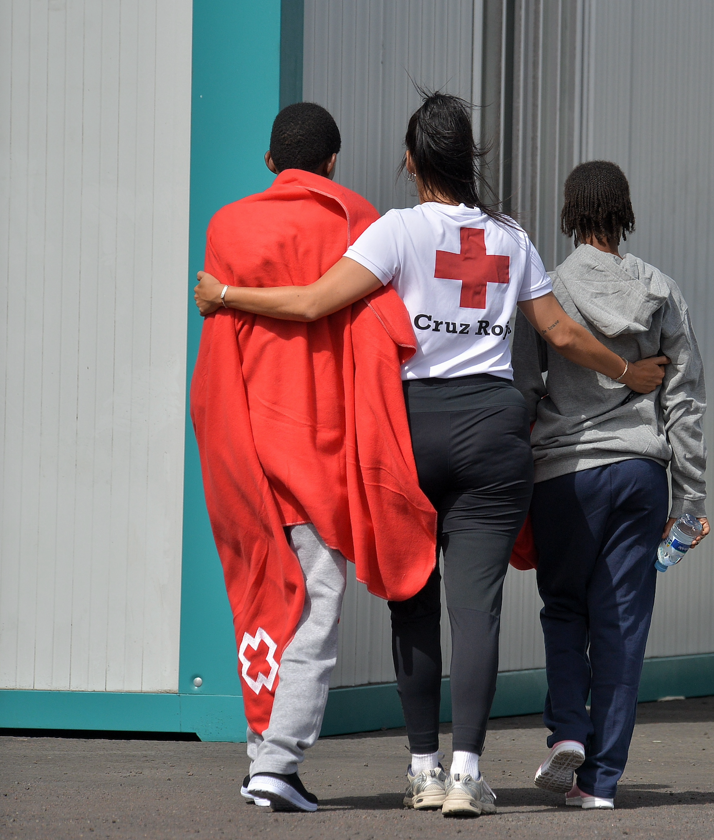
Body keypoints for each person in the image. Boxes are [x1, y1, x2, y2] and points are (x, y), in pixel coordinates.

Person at [194, 93, 668, 818]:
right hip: (494, 431)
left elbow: (315, 302)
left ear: (412, 162)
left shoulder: (396, 231)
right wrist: (629, 373)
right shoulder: (511, 238)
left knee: (411, 601)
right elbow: (563, 336)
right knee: (474, 611)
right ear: (468, 158)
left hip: (409, 434)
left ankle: (421, 766)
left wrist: (226, 293)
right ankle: (465, 774)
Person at [191, 102, 438, 814]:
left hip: (246, 437)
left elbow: (218, 345)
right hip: (323, 445)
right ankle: (277, 762)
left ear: (271, 162)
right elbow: (386, 334)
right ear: (332, 163)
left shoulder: (227, 226)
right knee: (316, 601)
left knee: (264, 590)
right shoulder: (360, 220)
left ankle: (260, 750)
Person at [512, 160, 709, 810]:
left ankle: (568, 730)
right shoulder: (660, 290)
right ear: (624, 212)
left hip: (566, 478)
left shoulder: (548, 291)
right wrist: (690, 502)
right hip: (639, 474)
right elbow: (685, 403)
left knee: (566, 609)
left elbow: (524, 389)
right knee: (621, 624)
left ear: (570, 212)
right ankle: (599, 784)